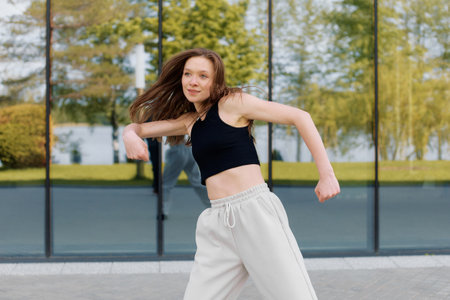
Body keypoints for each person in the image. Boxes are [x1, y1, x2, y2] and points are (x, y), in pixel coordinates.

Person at [123, 48, 340, 300]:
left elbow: (300, 117)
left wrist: (327, 175)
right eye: (188, 74)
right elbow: (138, 128)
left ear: (216, 82)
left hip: (255, 214)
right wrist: (129, 134)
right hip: (217, 222)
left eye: (203, 76)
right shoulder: (190, 121)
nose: (193, 81)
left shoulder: (233, 104)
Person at [161, 141, 209, 217]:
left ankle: (163, 211)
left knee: (166, 183)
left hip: (177, 150)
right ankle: (213, 204)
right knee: (196, 181)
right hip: (189, 150)